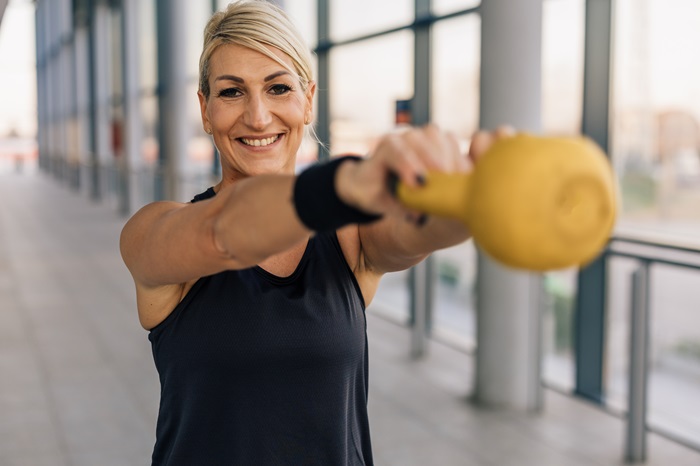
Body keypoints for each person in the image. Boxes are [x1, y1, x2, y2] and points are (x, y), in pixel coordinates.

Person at [120, 1, 509, 464]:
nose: (259, 117)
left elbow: (416, 234)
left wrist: (475, 199)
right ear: (205, 110)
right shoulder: (155, 231)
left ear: (309, 100)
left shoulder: (348, 237)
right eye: (231, 93)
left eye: (278, 87)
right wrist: (344, 183)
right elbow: (222, 232)